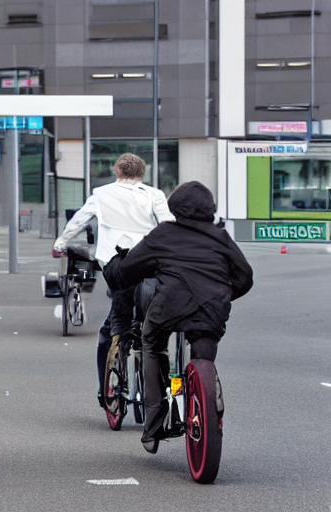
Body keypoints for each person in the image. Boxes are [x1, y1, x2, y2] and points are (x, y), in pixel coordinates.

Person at [103, 181, 253, 454]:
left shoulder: (164, 234)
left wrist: (114, 263)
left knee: (151, 341)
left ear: (174, 209)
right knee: (204, 355)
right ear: (211, 209)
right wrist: (220, 296)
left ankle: (154, 419)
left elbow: (125, 274)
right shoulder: (220, 237)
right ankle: (208, 396)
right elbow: (245, 277)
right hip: (212, 309)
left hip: (169, 308)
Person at [52, 153, 175, 406]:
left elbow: (79, 220)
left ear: (117, 171)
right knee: (149, 316)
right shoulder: (155, 195)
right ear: (142, 173)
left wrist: (61, 243)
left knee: (113, 326)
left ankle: (106, 388)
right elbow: (167, 223)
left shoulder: (102, 194)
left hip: (116, 265)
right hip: (150, 262)